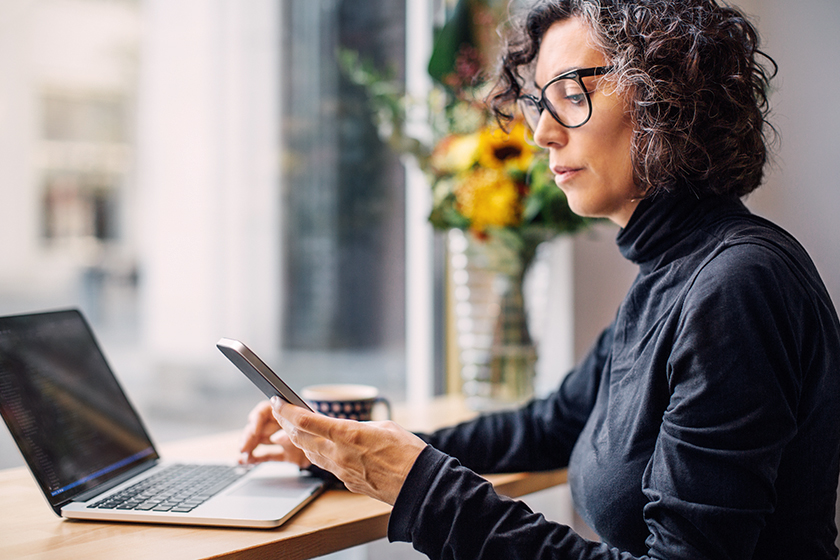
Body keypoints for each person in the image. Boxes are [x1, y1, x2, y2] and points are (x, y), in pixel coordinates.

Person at [239, 1, 840, 558]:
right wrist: (352, 451)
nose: (541, 134)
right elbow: (546, 427)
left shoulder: (737, 285)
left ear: (668, 97)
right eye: (537, 102)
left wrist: (421, 487)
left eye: (571, 93)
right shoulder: (673, 273)